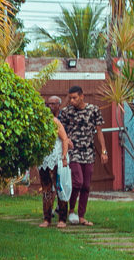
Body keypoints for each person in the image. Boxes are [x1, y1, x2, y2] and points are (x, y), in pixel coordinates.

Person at [58, 85, 107, 226]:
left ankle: (81, 216)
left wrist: (104, 151)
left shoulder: (93, 110)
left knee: (86, 185)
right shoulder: (67, 112)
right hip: (74, 151)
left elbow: (99, 131)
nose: (72, 101)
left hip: (89, 151)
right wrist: (66, 140)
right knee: (77, 181)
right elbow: (61, 130)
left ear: (82, 96)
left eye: (74, 98)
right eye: (70, 98)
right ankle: (71, 209)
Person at [38, 95, 71, 229]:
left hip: (57, 158)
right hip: (44, 160)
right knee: (46, 190)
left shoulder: (55, 122)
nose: (50, 106)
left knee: (59, 188)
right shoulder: (39, 123)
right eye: (48, 104)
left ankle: (62, 219)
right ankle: (47, 219)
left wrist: (64, 157)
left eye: (53, 104)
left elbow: (64, 139)